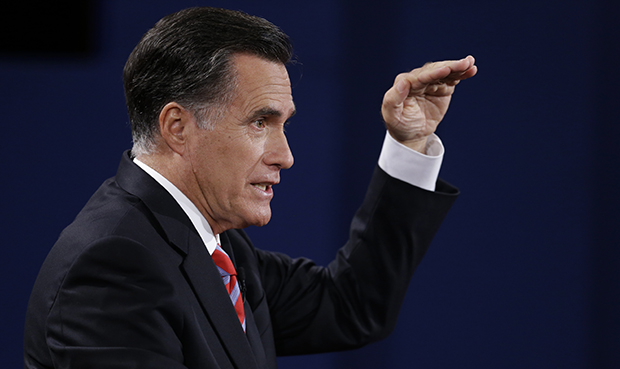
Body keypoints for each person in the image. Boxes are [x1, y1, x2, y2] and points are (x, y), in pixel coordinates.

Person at [24, 7, 477, 369]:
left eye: (283, 124)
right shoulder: (114, 266)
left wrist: (409, 144)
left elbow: (350, 306)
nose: (285, 155)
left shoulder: (215, 245)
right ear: (178, 127)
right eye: (260, 122)